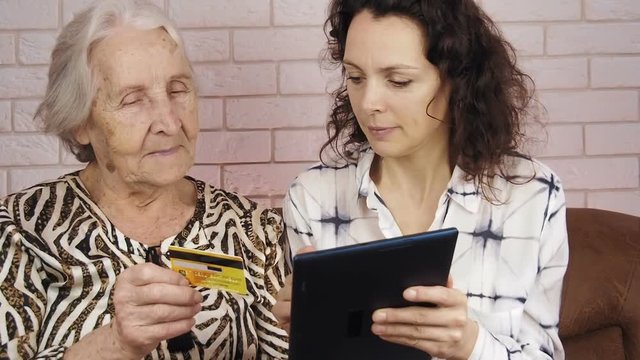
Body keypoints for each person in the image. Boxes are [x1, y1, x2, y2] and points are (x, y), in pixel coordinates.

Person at [274, 0, 569, 359]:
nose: (368, 103)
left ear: (457, 79)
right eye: (355, 77)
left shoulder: (533, 195)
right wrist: (302, 337)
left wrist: (470, 344)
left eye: (399, 81)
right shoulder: (313, 198)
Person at [0, 1, 290, 359]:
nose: (169, 122)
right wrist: (117, 343)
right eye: (133, 100)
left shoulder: (255, 232)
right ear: (80, 122)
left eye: (178, 89)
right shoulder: (21, 228)